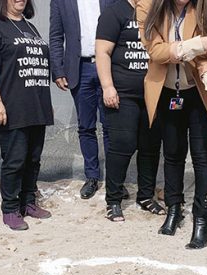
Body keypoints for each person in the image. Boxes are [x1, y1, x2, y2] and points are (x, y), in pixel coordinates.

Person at [137, 0, 207, 249]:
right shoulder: (148, 6)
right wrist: (197, 44)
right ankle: (174, 209)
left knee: (202, 157)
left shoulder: (203, 7)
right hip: (167, 92)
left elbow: (205, 58)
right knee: (173, 154)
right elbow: (156, 51)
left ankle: (201, 217)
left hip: (197, 92)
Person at [0, 0, 54, 231]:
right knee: (15, 160)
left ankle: (28, 202)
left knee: (33, 159)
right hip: (11, 106)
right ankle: (10, 209)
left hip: (36, 106)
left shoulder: (30, 27)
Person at [95, 0, 164, 222]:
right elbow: (103, 51)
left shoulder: (157, 10)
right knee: (122, 145)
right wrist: (107, 86)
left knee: (151, 146)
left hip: (153, 93)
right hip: (123, 94)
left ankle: (146, 196)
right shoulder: (115, 12)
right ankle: (113, 200)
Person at [50, 0, 118, 200]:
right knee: (86, 126)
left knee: (110, 125)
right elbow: (56, 36)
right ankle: (92, 177)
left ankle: (115, 179)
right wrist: (58, 69)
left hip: (109, 66)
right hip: (80, 67)